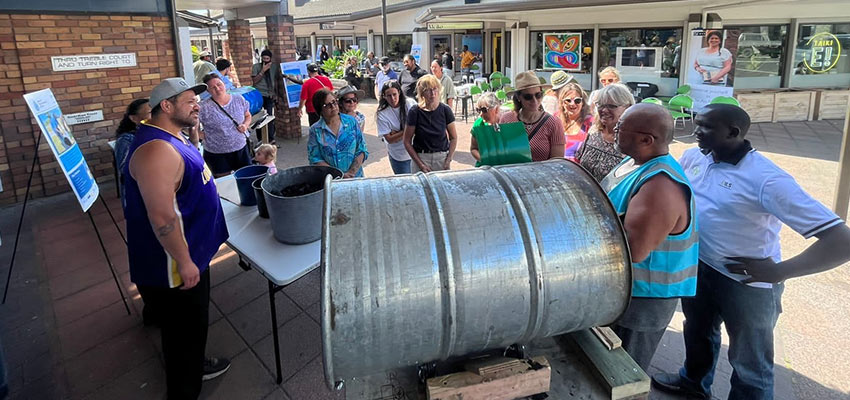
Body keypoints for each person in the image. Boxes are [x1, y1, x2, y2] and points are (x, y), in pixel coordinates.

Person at [651, 104, 850, 400]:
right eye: (697, 123)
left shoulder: (768, 180)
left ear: (734, 133)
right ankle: (693, 384)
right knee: (697, 332)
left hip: (746, 285)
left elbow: (841, 241)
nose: (696, 132)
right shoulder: (696, 155)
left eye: (706, 127)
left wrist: (780, 271)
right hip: (699, 266)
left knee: (750, 363)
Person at [122, 77, 230, 398]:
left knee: (189, 331)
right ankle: (185, 388)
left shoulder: (171, 136)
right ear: (166, 106)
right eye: (189, 101)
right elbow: (162, 217)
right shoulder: (156, 150)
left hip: (192, 253)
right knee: (185, 334)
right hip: (177, 267)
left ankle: (195, 365)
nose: (197, 104)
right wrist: (184, 262)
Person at [599, 103, 698, 372]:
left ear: (646, 139)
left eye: (621, 128)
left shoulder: (659, 185)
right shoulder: (633, 162)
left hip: (641, 303)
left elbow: (633, 250)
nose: (613, 129)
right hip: (623, 292)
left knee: (622, 374)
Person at [498, 71, 565, 162]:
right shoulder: (506, 119)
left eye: (538, 95)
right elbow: (500, 151)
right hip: (512, 174)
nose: (534, 101)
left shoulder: (554, 123)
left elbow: (557, 163)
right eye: (528, 97)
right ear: (518, 97)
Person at [575, 83, 633, 181]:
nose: (604, 110)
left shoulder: (632, 142)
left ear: (628, 107)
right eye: (600, 105)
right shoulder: (594, 133)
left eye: (611, 106)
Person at [199, 73, 252, 178]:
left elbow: (247, 115)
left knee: (245, 178)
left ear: (224, 83)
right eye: (213, 87)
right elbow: (188, 126)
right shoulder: (203, 107)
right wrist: (200, 134)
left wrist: (245, 125)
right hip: (217, 153)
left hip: (240, 148)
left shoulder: (238, 99)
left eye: (219, 84)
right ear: (208, 91)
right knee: (224, 184)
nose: (217, 89)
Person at [307, 88, 368, 178]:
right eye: (327, 105)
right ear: (319, 109)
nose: (333, 106)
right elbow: (315, 158)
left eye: (334, 102)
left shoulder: (351, 122)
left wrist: (351, 172)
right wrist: (339, 175)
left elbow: (362, 149)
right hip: (331, 180)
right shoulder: (316, 130)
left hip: (355, 177)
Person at [403, 75, 458, 173]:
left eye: (435, 89)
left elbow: (453, 137)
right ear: (422, 93)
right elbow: (407, 141)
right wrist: (420, 164)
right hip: (421, 157)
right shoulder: (415, 111)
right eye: (428, 90)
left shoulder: (445, 110)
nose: (432, 94)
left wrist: (449, 159)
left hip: (441, 158)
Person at [114, 98, 151, 201]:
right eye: (150, 112)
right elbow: (125, 170)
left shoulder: (154, 133)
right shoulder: (126, 140)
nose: (155, 116)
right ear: (134, 118)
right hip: (137, 196)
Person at [376, 80, 416, 174]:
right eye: (389, 96)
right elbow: (389, 139)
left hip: (416, 152)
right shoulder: (382, 113)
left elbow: (420, 124)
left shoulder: (410, 103)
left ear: (399, 92)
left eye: (394, 94)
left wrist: (398, 133)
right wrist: (410, 129)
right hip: (399, 156)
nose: (393, 98)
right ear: (384, 97)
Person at [557, 82, 593, 160]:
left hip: (579, 169)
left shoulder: (590, 123)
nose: (572, 104)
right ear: (562, 103)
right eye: (568, 100)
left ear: (583, 102)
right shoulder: (555, 120)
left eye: (577, 100)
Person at [251, 49, 282, 141]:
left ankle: (271, 138)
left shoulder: (274, 67)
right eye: (263, 58)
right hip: (259, 95)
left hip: (269, 95)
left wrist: (275, 94)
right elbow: (255, 81)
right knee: (259, 118)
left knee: (269, 117)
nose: (265, 60)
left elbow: (275, 81)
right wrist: (263, 71)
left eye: (267, 58)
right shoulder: (256, 67)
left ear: (270, 59)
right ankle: (261, 139)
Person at [469, 92, 502, 166]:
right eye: (478, 110)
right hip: (485, 166)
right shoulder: (478, 125)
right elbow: (473, 149)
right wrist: (484, 160)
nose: (481, 114)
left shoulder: (506, 123)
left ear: (496, 109)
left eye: (484, 110)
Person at [299, 63, 334, 127]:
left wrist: (300, 109)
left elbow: (304, 98)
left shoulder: (307, 83)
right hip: (326, 108)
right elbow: (331, 92)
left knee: (315, 129)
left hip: (313, 110)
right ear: (317, 71)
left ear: (308, 72)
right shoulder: (326, 79)